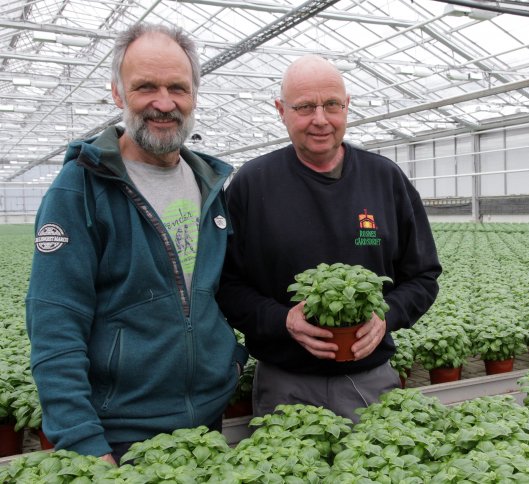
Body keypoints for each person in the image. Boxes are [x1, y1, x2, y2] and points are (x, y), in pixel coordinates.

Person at [25, 23, 248, 465]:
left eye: (177, 88)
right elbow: (55, 324)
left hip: (208, 421)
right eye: (146, 87)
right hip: (122, 438)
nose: (164, 103)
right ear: (118, 93)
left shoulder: (209, 186)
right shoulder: (80, 189)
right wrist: (84, 443)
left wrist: (234, 358)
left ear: (194, 96)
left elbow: (221, 294)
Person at [216, 55, 442, 422]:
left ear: (346, 106)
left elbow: (423, 276)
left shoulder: (386, 179)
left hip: (369, 381)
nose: (320, 119)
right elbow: (226, 284)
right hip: (283, 383)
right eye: (305, 107)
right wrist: (282, 321)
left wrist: (387, 316)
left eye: (332, 105)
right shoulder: (251, 184)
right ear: (281, 111)